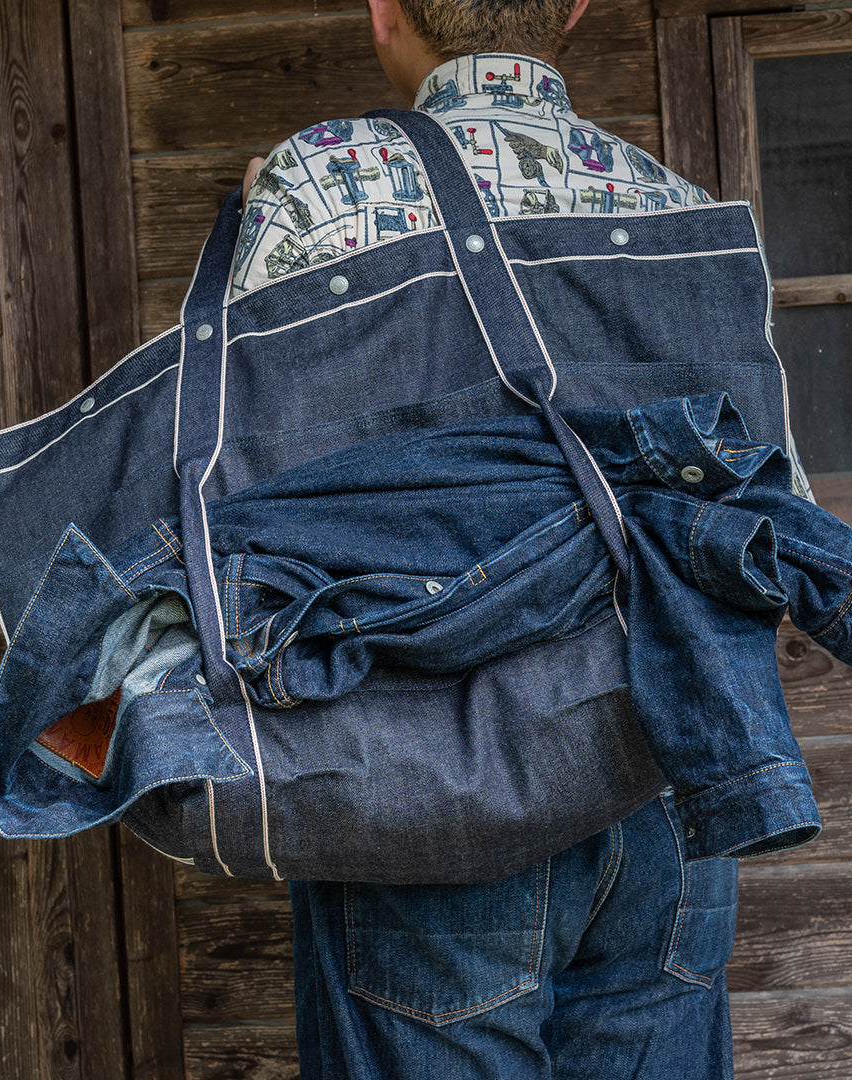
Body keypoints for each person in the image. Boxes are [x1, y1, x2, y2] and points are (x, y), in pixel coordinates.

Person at [231, 2, 739, 1076]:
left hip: (437, 771)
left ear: (385, 13)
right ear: (575, 8)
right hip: (659, 766)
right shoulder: (677, 206)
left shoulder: (318, 180)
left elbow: (257, 483)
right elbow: (741, 492)